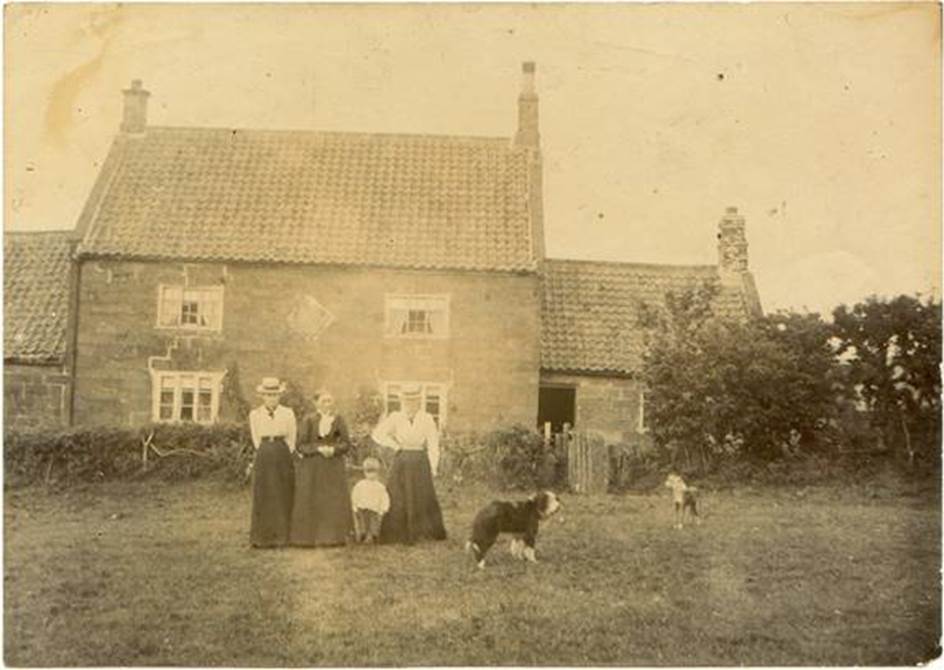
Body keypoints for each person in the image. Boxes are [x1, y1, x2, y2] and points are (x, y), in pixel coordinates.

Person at [371, 384, 447, 544]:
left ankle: (421, 531)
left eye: (414, 400)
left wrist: (433, 466)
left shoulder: (426, 418)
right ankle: (397, 532)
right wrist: (395, 445)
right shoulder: (395, 417)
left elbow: (433, 443)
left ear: (419, 401)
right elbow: (377, 434)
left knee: (422, 494)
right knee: (398, 495)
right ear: (402, 401)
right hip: (402, 459)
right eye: (407, 400)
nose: (411, 403)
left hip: (420, 460)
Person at [289, 391, 354, 547]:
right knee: (312, 499)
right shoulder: (309, 420)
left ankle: (333, 537)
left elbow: (345, 443)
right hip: (313, 468)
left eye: (330, 401)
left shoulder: (338, 421)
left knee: (332, 500)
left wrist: (334, 450)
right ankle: (308, 538)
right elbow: (301, 445)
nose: (327, 404)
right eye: (324, 401)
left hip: (333, 467)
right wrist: (318, 449)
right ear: (316, 403)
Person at [248, 377, 297, 548]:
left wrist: (282, 452)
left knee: (282, 492)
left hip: (282, 452)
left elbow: (292, 437)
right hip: (264, 453)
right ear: (262, 396)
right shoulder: (255, 414)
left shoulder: (288, 413)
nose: (272, 398)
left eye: (275, 395)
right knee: (264, 493)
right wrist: (264, 451)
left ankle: (282, 537)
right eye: (268, 395)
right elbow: (255, 438)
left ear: (279, 396)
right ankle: (262, 538)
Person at [351, 457, 390, 544]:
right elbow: (355, 495)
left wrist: (383, 508)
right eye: (368, 472)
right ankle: (362, 535)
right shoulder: (360, 485)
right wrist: (355, 506)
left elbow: (384, 497)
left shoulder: (380, 486)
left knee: (374, 523)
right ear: (364, 472)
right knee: (363, 523)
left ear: (377, 473)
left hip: (374, 509)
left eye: (373, 472)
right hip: (362, 508)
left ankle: (374, 536)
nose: (371, 475)